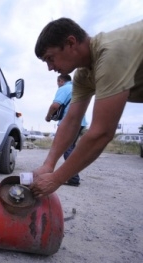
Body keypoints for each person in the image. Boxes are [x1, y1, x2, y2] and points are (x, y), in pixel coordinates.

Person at [30, 18, 143, 198]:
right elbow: (71, 120)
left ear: (71, 43)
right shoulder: (83, 74)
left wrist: (57, 178)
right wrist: (48, 164)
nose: (50, 68)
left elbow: (102, 132)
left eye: (50, 58)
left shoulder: (110, 53)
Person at [45, 74, 87, 186]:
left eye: (58, 83)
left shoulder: (64, 88)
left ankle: (73, 178)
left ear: (60, 81)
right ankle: (73, 176)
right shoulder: (77, 88)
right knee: (71, 148)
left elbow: (55, 106)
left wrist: (48, 116)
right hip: (81, 122)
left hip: (70, 122)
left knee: (67, 149)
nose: (58, 85)